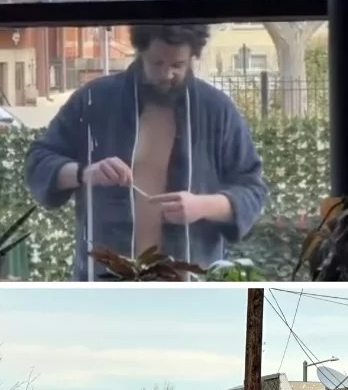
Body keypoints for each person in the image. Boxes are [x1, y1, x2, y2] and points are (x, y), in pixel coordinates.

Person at [25, 20, 268, 281]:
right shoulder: (94, 100)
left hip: (190, 285)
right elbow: (38, 162)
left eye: (178, 65)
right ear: (140, 52)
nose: (167, 74)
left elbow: (253, 190)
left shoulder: (217, 110)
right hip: (105, 283)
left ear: (193, 57)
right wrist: (84, 173)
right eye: (157, 63)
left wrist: (202, 206)